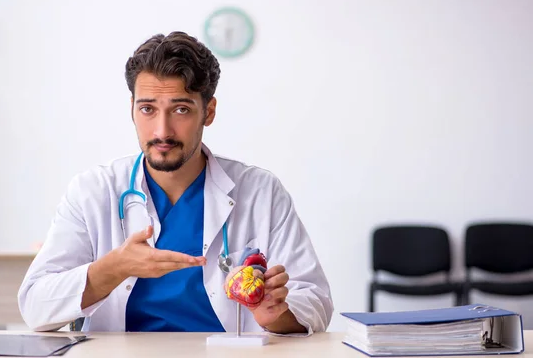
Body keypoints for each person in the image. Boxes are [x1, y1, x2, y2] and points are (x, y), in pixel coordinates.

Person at [17, 31, 333, 335]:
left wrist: (277, 314)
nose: (162, 130)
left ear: (208, 112)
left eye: (180, 109)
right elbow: (35, 305)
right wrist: (114, 268)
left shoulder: (260, 192)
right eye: (147, 109)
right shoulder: (93, 191)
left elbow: (315, 299)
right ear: (132, 109)